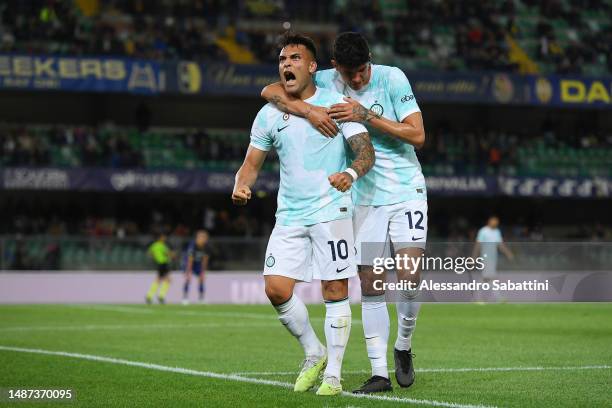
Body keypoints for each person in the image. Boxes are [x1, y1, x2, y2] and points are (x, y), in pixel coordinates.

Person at [261, 32, 427, 393]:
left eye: (362, 70)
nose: (357, 80)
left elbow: (417, 136)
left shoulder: (392, 77)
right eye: (349, 73)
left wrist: (365, 114)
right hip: (363, 196)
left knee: (410, 277)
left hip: (405, 190)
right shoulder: (324, 79)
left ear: (371, 59)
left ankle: (404, 345)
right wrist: (307, 109)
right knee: (371, 283)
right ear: (335, 67)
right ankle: (380, 373)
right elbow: (270, 92)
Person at [232, 32, 375, 396]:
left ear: (312, 67)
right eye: (282, 59)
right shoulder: (269, 114)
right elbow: (251, 163)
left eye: (295, 58)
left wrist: (351, 174)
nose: (286, 64)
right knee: (276, 288)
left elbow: (365, 153)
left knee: (335, 288)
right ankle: (315, 352)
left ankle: (334, 375)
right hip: (290, 215)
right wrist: (241, 183)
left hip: (332, 210)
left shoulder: (337, 105)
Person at [473, 215, 514, 301]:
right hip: (485, 257)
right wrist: (474, 257)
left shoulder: (497, 232)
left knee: (487, 278)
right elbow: (478, 244)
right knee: (489, 277)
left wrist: (508, 253)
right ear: (489, 221)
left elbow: (500, 245)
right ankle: (496, 298)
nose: (496, 223)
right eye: (494, 221)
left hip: (493, 258)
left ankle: (478, 298)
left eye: (497, 222)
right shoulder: (483, 231)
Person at [182, 230, 210, 305]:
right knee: (188, 279)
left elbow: (205, 260)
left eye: (205, 238)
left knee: (201, 279)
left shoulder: (206, 246)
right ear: (198, 238)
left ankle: (201, 299)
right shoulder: (192, 245)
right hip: (188, 262)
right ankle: (185, 298)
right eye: (203, 237)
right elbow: (190, 259)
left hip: (198, 264)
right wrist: (188, 271)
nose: (204, 239)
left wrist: (203, 272)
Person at [145, 233, 174, 304]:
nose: (165, 238)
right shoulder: (162, 245)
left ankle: (150, 295)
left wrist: (155, 257)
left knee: (160, 279)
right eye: (163, 237)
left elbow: (149, 253)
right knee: (167, 280)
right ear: (160, 238)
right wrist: (172, 255)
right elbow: (169, 254)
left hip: (159, 264)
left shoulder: (154, 245)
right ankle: (160, 296)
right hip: (164, 263)